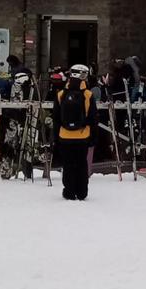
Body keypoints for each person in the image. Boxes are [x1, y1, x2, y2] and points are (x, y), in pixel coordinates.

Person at [52, 64, 97, 201]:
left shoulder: (60, 94)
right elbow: (93, 118)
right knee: (82, 164)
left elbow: (56, 118)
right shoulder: (89, 95)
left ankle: (69, 191)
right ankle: (82, 192)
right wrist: (93, 138)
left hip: (64, 136)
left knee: (68, 164)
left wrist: (55, 138)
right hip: (83, 136)